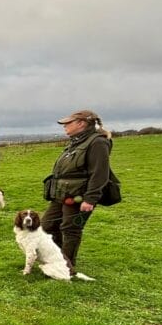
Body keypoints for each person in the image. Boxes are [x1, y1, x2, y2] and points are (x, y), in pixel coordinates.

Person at [41, 110, 112, 271]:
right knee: (47, 226)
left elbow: (100, 173)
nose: (65, 126)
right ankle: (57, 258)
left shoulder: (97, 142)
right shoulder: (77, 141)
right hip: (61, 194)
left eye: (68, 123)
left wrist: (90, 199)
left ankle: (66, 267)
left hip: (79, 196)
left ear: (81, 123)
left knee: (70, 229)